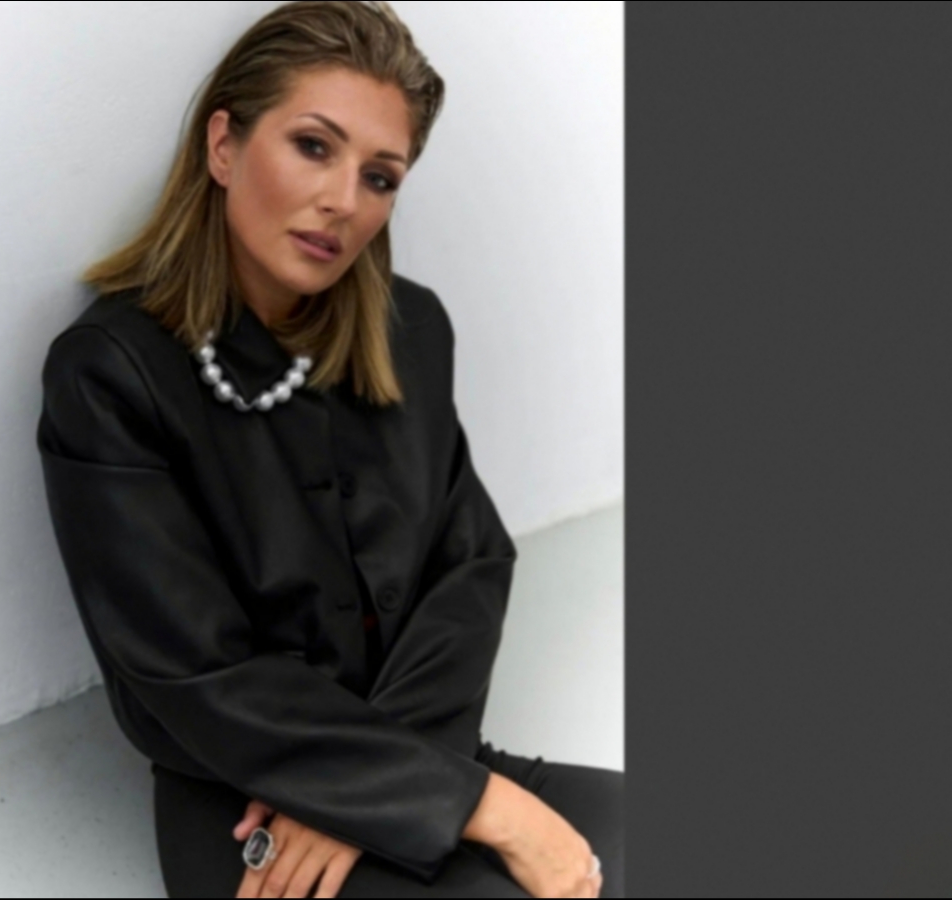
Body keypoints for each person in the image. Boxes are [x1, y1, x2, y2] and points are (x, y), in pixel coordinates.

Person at [35, 2, 623, 897]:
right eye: (314, 146)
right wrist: (482, 808)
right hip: (248, 811)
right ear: (223, 145)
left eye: (380, 176)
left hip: (431, 755)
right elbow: (192, 674)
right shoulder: (110, 375)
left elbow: (471, 567)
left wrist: (391, 793)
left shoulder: (412, 329)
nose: (345, 201)